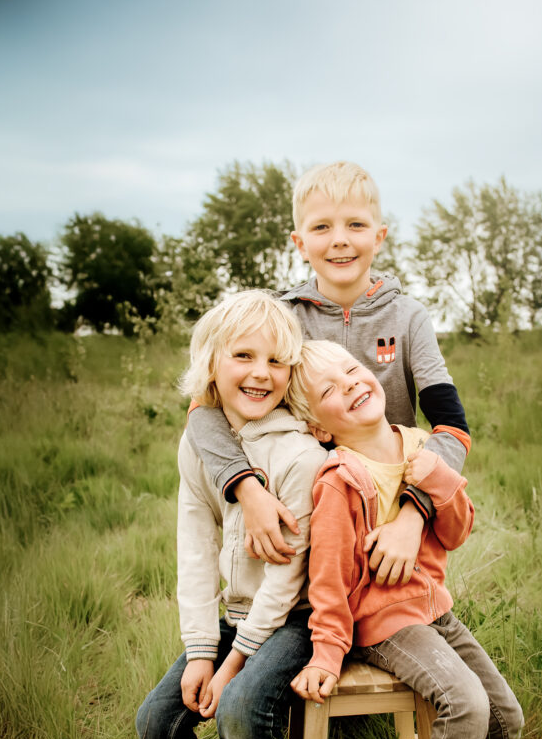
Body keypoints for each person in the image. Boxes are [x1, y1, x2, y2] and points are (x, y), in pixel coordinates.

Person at [286, 340, 524, 739]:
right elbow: (331, 579)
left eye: (351, 371)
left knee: (504, 717)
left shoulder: (417, 446)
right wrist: (327, 651)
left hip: (435, 611)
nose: (350, 385)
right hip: (385, 623)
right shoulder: (341, 479)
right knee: (463, 702)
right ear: (319, 425)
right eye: (330, 391)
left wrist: (439, 479)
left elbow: (458, 530)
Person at [135, 290, 328, 739]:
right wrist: (199, 650)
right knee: (158, 721)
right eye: (242, 355)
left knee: (243, 708)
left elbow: (289, 575)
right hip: (234, 619)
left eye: (276, 360)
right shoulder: (199, 446)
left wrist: (235, 660)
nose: (259, 373)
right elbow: (193, 550)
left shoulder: (300, 456)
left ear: (291, 371)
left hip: (295, 619)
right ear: (210, 361)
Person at [186, 160, 471, 588]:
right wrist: (247, 490)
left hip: (388, 523)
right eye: (321, 228)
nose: (339, 240)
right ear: (300, 243)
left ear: (379, 236)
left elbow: (452, 428)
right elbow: (202, 409)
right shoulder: (282, 318)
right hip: (303, 517)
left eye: (355, 224)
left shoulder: (409, 318)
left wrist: (414, 516)